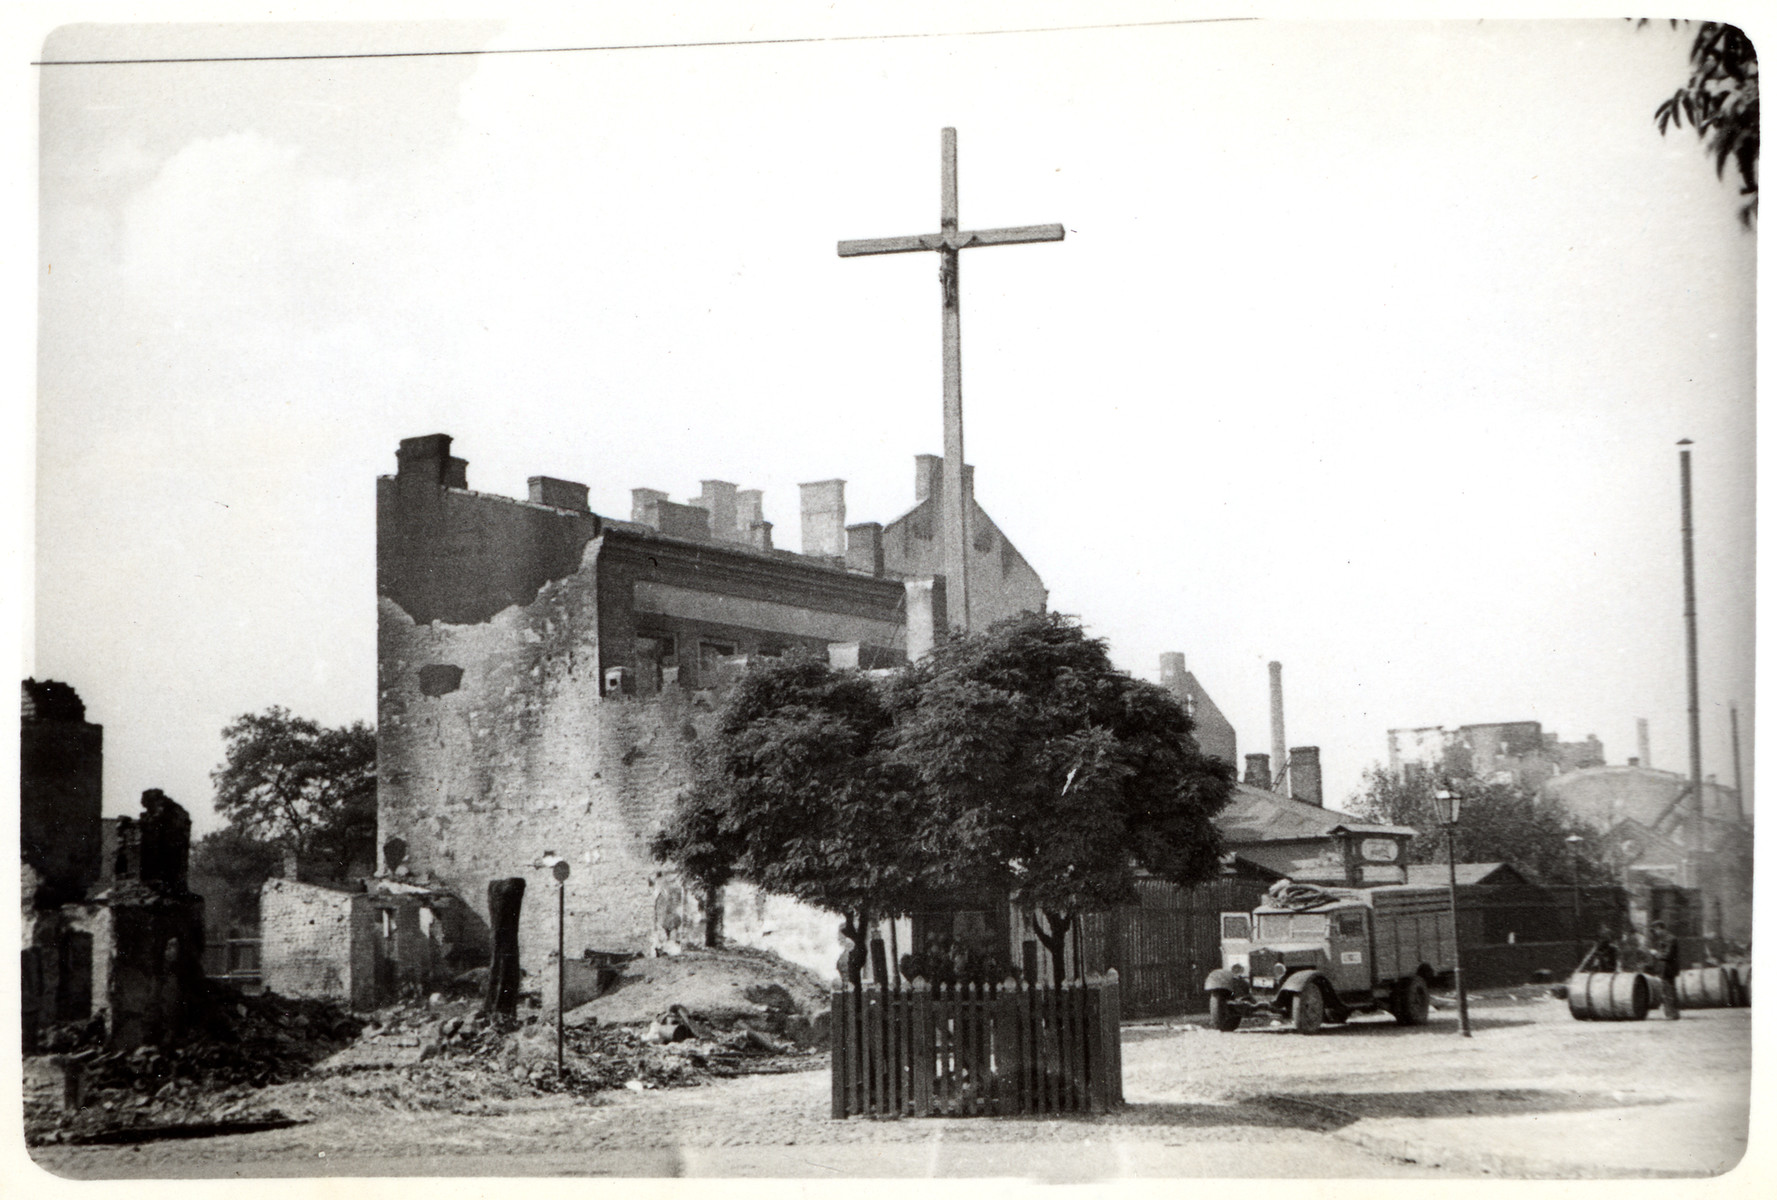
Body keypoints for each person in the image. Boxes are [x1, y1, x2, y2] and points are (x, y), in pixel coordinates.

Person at [1650, 920, 1682, 1020]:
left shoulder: (1670, 939)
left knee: (1668, 991)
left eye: (1655, 930)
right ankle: (1672, 1013)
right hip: (1666, 969)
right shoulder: (1665, 939)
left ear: (1660, 928)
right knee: (1668, 991)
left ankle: (1671, 1014)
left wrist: (1656, 954)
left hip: (1668, 969)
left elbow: (1667, 955)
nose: (1655, 933)